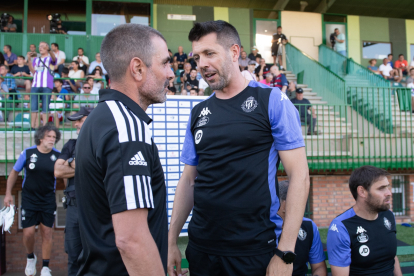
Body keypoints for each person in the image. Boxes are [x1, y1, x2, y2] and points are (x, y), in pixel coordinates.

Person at [168, 20, 309, 276]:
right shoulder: (199, 112)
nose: (201, 64)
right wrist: (171, 241)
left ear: (234, 53)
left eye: (210, 53)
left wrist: (285, 252)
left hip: (254, 250)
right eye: (197, 56)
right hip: (202, 248)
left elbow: (299, 176)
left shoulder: (271, 101)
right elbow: (189, 180)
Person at [75, 23, 173, 275]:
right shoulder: (126, 127)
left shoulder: (101, 119)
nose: (171, 73)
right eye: (165, 63)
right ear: (138, 69)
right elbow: (131, 241)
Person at [4, 125, 61, 276]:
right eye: (49, 136)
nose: (52, 139)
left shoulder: (58, 156)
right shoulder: (28, 153)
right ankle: (30, 258)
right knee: (28, 233)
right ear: (41, 137)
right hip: (29, 199)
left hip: (48, 199)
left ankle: (45, 267)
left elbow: (65, 176)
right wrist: (8, 194)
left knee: (47, 232)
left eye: (54, 137)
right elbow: (14, 172)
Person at [327, 166, 403, 276]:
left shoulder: (388, 215)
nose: (389, 193)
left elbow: (392, 258)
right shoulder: (341, 226)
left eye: (388, 187)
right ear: (362, 191)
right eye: (381, 188)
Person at [54, 107, 92, 276]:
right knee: (74, 257)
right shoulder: (71, 144)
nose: (76, 124)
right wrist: (74, 163)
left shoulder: (99, 143)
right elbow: (57, 171)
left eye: (80, 120)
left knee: (96, 257)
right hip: (73, 208)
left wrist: (72, 165)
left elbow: (97, 170)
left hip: (94, 209)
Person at [278, 180, 327, 276]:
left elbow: (318, 266)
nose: (303, 206)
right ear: (285, 204)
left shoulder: (309, 226)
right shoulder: (264, 226)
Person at [27, 42, 57, 129]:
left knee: (45, 106)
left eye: (43, 46)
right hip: (35, 84)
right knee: (33, 106)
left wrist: (50, 50)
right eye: (40, 46)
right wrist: (29, 59)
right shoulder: (36, 59)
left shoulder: (50, 58)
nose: (41, 48)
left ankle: (44, 127)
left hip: (46, 85)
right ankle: (32, 126)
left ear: (47, 47)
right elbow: (33, 71)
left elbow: (54, 60)